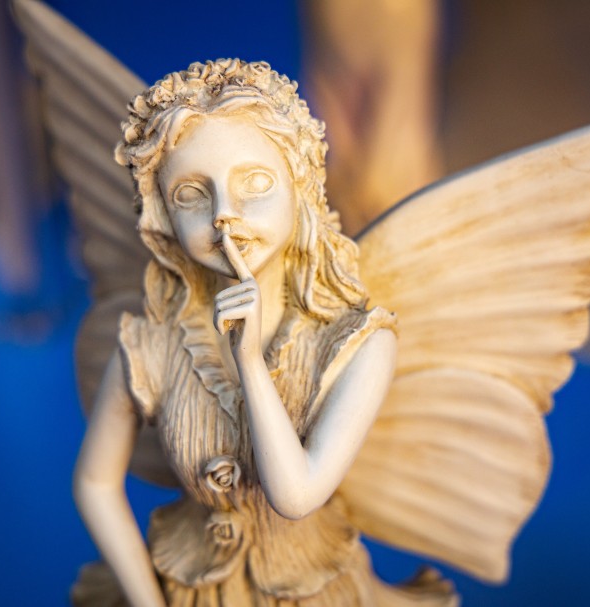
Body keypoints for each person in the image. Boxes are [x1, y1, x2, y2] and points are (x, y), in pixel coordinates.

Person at [69, 59, 456, 606]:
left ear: (300, 188)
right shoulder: (150, 344)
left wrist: (250, 362)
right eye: (190, 194)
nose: (224, 215)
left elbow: (295, 496)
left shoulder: (357, 344)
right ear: (161, 216)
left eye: (255, 183)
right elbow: (94, 484)